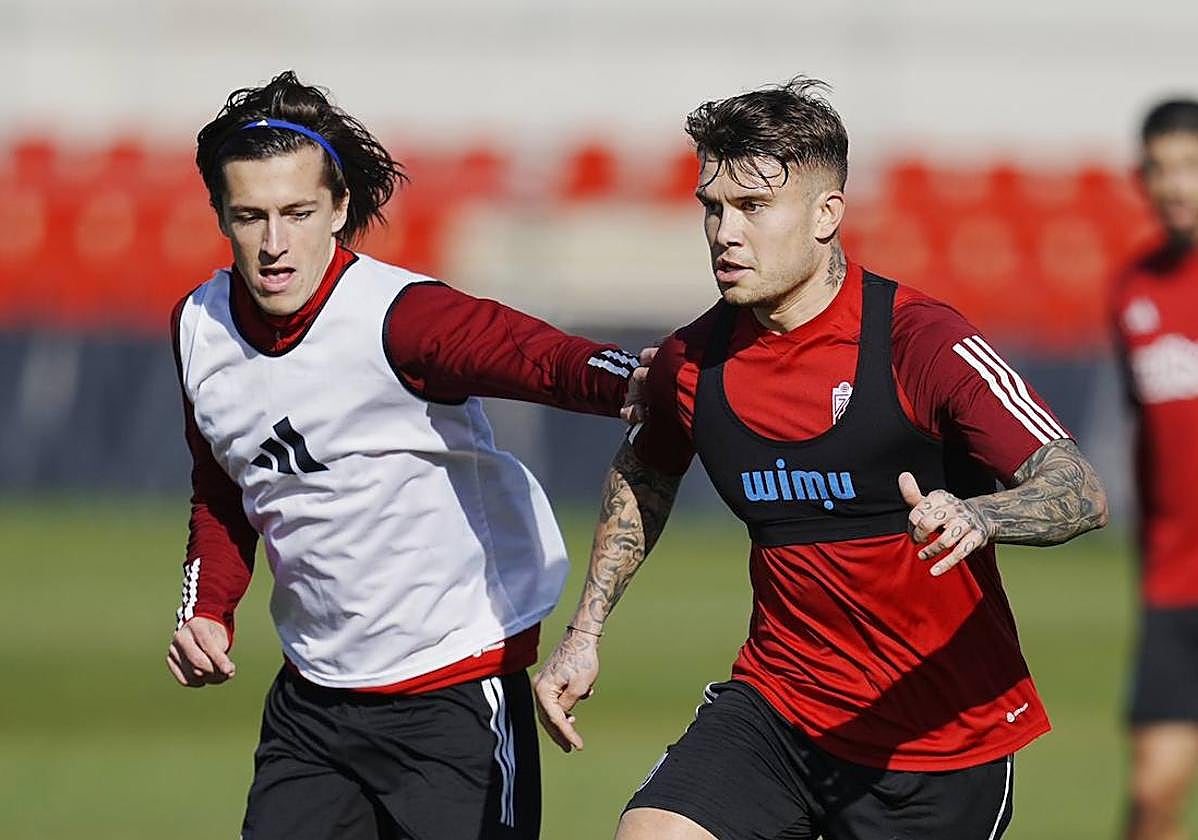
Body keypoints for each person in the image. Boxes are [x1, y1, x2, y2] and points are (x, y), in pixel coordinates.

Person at [534, 77, 1110, 840]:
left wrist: (978, 513)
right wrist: (584, 633)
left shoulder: (921, 342)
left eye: (752, 207)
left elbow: (1079, 486)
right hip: (780, 712)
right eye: (713, 207)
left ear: (825, 215)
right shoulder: (690, 362)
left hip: (939, 743)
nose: (724, 233)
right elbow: (645, 474)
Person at [165, 70, 646, 840]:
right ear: (221, 215)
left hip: (450, 698)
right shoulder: (199, 326)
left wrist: (634, 381)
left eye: (298, 212)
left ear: (339, 209)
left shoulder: (401, 317)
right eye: (250, 216)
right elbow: (223, 490)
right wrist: (209, 609)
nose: (274, 242)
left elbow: (538, 358)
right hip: (313, 705)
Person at [1113, 97, 1198, 840]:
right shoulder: (1134, 287)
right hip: (1175, 582)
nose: (1174, 184)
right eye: (1160, 168)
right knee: (1152, 792)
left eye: (1190, 166)